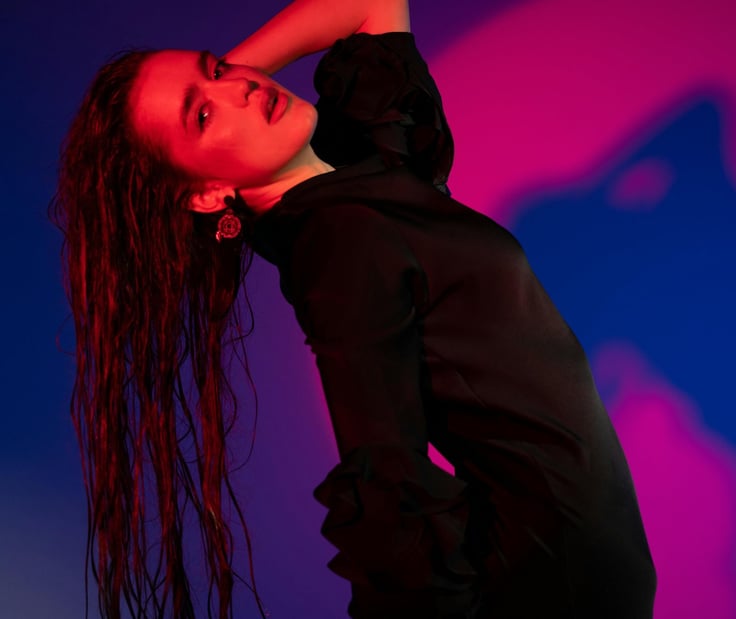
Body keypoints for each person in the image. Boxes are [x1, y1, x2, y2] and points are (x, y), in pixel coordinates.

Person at [53, 0, 657, 617]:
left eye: (217, 68)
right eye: (202, 116)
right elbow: (386, 471)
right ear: (208, 195)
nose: (240, 88)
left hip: (581, 563)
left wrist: (224, 86)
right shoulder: (337, 245)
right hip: (551, 584)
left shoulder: (363, 160)